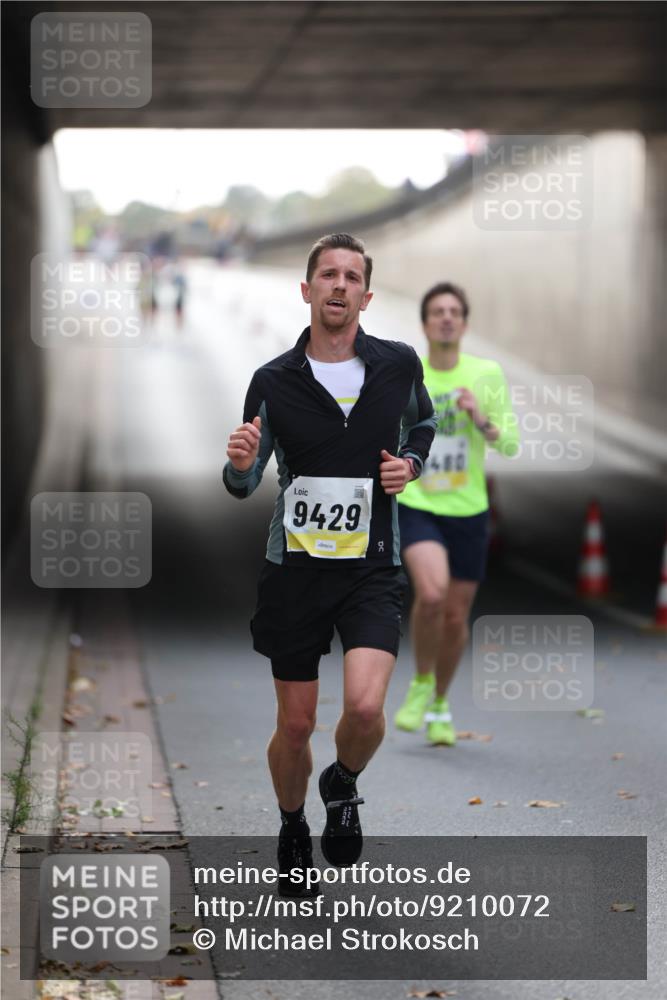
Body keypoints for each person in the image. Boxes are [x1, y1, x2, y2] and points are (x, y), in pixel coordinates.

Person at [223, 234, 436, 895]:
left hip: (370, 568)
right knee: (294, 724)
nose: (338, 285)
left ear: (365, 296)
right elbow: (244, 478)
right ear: (307, 290)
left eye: (351, 277)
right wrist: (236, 466)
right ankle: (292, 826)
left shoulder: (398, 366)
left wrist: (412, 465)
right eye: (327, 274)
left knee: (367, 710)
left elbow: (422, 427)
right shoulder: (273, 380)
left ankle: (340, 781)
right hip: (294, 571)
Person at [394, 282, 519, 746]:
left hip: (468, 510)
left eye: (454, 312)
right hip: (418, 503)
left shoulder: (485, 374)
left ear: (464, 323)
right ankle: (421, 681)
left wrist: (478, 416)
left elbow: (508, 442)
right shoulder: (410, 375)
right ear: (425, 323)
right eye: (437, 311)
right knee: (431, 594)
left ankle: (441, 704)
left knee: (454, 617)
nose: (446, 318)